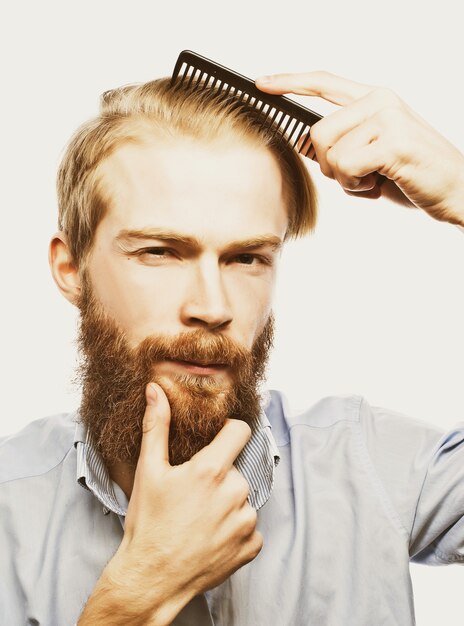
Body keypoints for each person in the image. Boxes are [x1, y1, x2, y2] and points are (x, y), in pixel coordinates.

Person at [0, 67, 463, 626]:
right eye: (160, 252)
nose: (212, 307)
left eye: (246, 258)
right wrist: (137, 594)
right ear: (71, 269)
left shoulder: (368, 465)